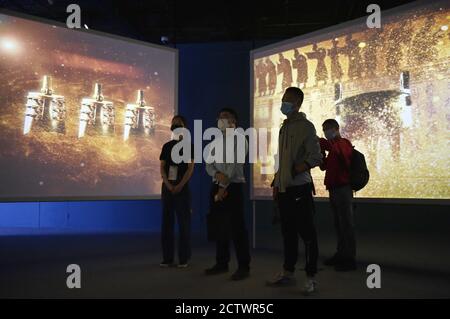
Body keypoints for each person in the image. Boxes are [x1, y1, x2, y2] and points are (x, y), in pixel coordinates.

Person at [267, 87, 322, 295]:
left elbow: (316, 156)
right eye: (283, 99)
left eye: (288, 100)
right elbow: (283, 160)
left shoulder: (306, 127)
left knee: (307, 234)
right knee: (287, 233)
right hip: (284, 190)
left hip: (300, 188)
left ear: (298, 104)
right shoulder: (284, 127)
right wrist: (277, 182)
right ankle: (288, 272)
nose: (284, 103)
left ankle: (311, 277)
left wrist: (296, 169)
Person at [204, 108, 251, 281]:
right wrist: (216, 175)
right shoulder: (216, 141)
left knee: (237, 228)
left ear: (234, 121)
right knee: (219, 226)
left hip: (233, 187)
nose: (221, 119)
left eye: (225, 117)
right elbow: (208, 164)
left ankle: (243, 266)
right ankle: (221, 263)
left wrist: (224, 186)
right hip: (217, 185)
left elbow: (234, 166)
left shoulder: (240, 138)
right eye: (220, 116)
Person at [319, 119, 356, 271]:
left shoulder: (344, 144)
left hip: (343, 189)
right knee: (339, 224)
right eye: (324, 129)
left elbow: (342, 155)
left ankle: (350, 259)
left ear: (336, 128)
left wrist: (323, 143)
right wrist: (321, 152)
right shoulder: (333, 148)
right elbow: (323, 167)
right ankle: (341, 254)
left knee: (347, 224)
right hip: (333, 189)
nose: (326, 131)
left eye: (328, 128)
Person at [159, 115, 194, 268]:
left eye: (179, 124)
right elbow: (162, 167)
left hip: (182, 188)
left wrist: (180, 185)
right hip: (167, 188)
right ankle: (167, 258)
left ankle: (183, 258)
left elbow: (190, 168)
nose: (176, 126)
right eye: (173, 124)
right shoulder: (166, 146)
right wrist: (168, 184)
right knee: (167, 223)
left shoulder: (189, 146)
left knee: (184, 223)